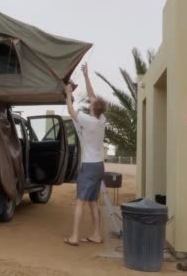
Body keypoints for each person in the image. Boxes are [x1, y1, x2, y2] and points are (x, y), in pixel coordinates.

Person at [63, 62, 107, 246]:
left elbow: (71, 111)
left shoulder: (88, 121)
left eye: (92, 102)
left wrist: (68, 93)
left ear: (93, 108)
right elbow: (92, 94)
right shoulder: (101, 119)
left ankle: (74, 237)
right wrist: (86, 75)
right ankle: (96, 234)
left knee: (80, 201)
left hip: (89, 166)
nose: (91, 100)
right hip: (99, 166)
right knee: (93, 202)